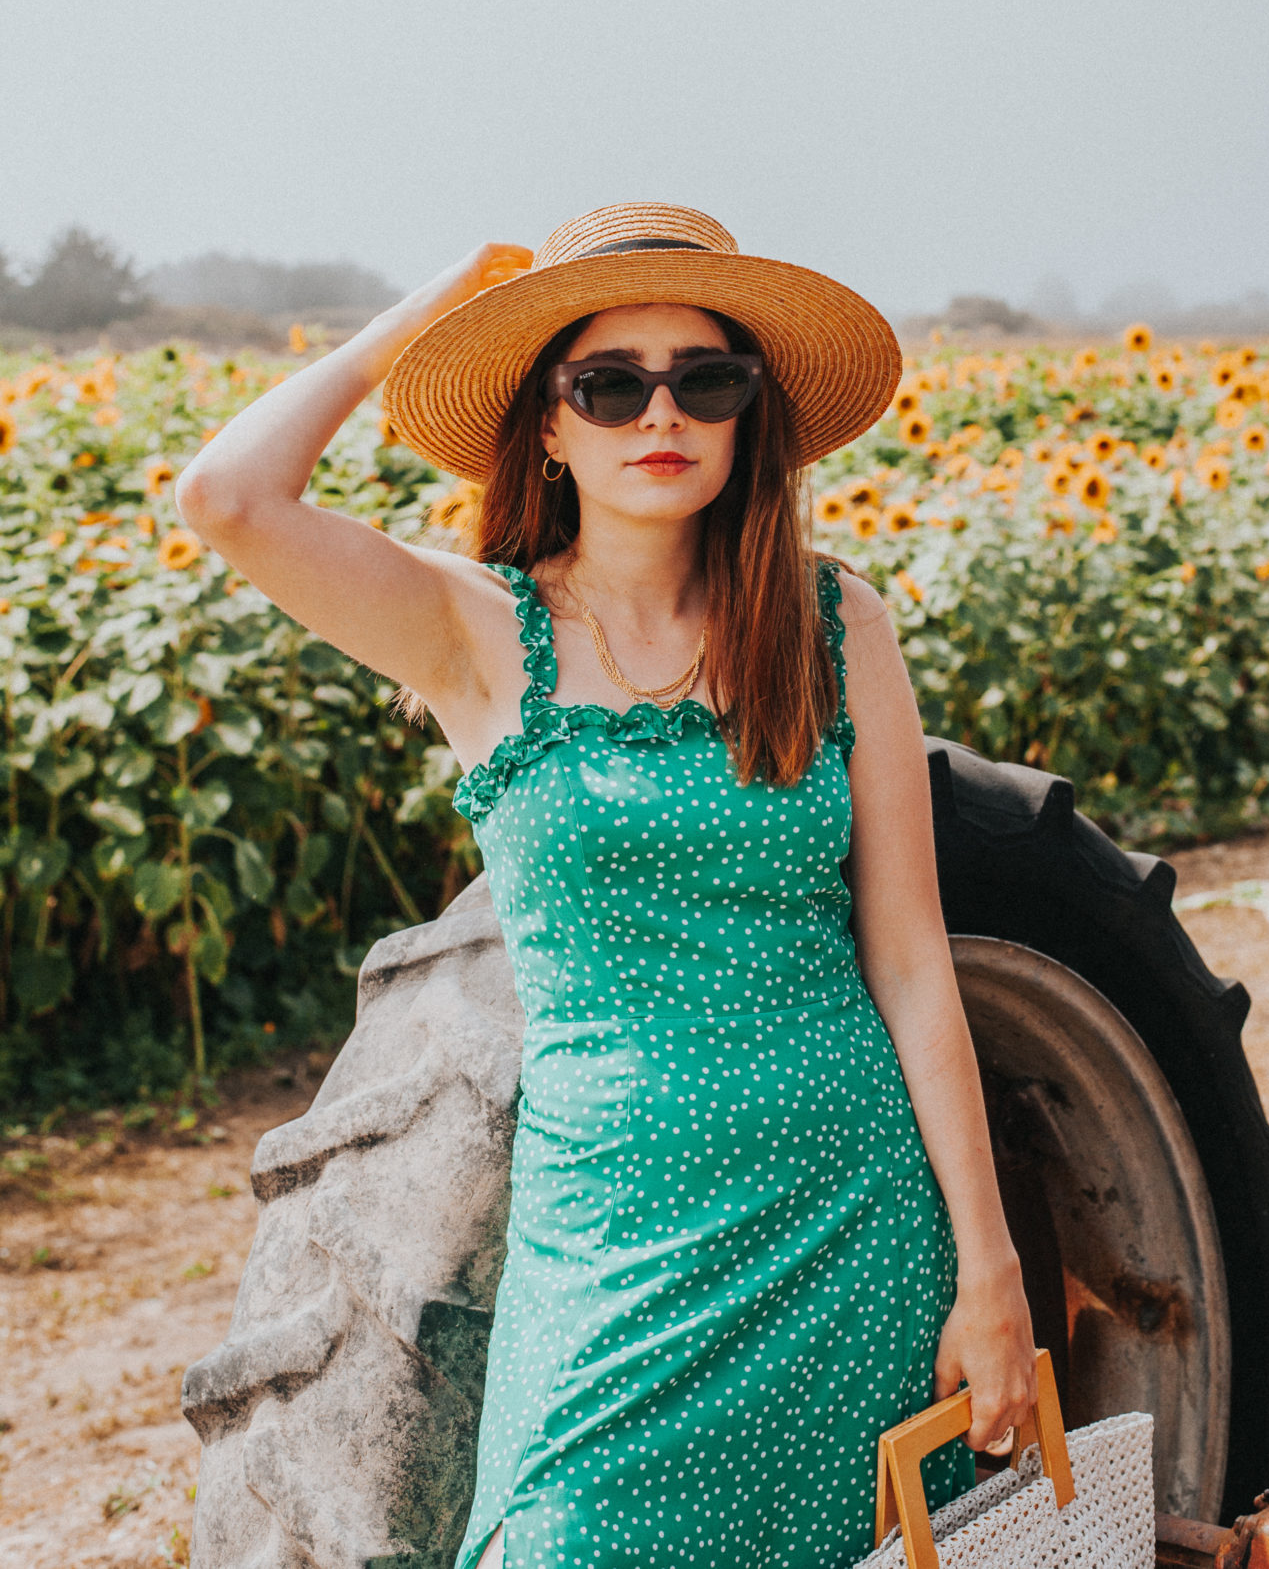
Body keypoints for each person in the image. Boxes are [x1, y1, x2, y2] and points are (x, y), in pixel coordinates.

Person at [176, 202, 1036, 1569]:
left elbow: (913, 957)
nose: (663, 412)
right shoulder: (472, 633)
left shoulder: (831, 621)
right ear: (549, 425)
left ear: (750, 413)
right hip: (614, 1248)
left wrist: (989, 1267)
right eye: (608, 381)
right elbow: (225, 499)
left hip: (850, 1218)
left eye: (707, 378)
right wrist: (432, 315)